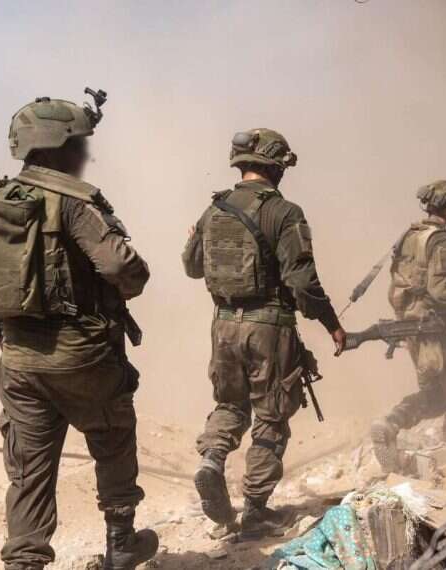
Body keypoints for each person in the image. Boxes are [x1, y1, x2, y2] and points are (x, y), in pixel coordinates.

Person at [0, 92, 158, 570]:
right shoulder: (72, 203)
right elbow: (120, 266)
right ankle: (121, 540)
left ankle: (25, 560)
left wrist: (1, 336)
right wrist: (130, 285)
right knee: (112, 435)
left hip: (20, 363)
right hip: (84, 357)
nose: (85, 155)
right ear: (57, 147)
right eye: (79, 144)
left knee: (28, 469)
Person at [182, 128, 347, 539]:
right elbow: (303, 283)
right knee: (271, 416)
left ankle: (212, 460)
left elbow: (191, 266)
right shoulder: (284, 212)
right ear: (277, 165)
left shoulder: (214, 210)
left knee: (229, 404)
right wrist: (331, 323)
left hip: (222, 324)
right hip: (269, 326)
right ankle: (255, 509)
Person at [370, 180, 446, 473]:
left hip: (416, 331)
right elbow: (441, 292)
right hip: (441, 332)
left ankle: (390, 423)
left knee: (435, 396)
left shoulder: (412, 236)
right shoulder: (444, 240)